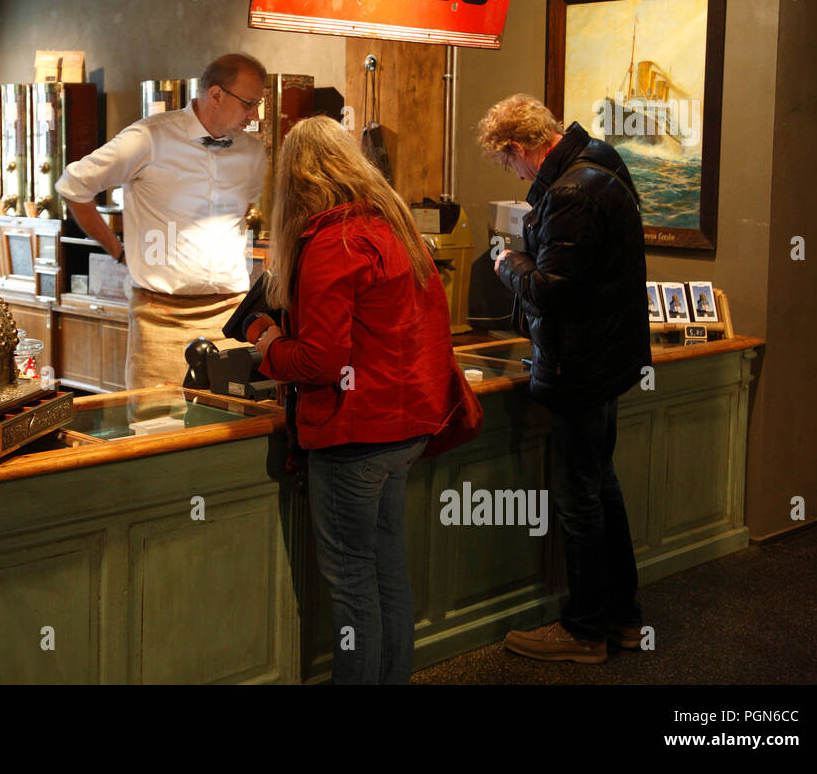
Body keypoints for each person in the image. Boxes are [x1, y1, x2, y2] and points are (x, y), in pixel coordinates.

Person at [254, 116, 465, 684]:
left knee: (351, 586)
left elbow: (321, 362)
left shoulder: (330, 242)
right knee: (387, 570)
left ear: (294, 180)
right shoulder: (392, 226)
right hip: (406, 426)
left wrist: (269, 344)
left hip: (356, 435)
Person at [478, 93, 651, 664]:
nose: (514, 172)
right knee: (602, 486)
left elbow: (554, 290)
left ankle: (584, 632)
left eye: (508, 163)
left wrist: (509, 265)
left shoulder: (571, 191)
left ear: (518, 147)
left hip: (579, 364)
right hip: (607, 358)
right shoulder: (599, 161)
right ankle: (623, 620)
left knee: (581, 499)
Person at [56, 54, 267, 389]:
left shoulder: (252, 154)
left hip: (229, 317)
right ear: (216, 95)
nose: (254, 114)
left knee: (227, 432)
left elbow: (243, 213)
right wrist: (118, 250)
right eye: (249, 103)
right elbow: (74, 186)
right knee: (156, 429)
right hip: (160, 318)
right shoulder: (149, 138)